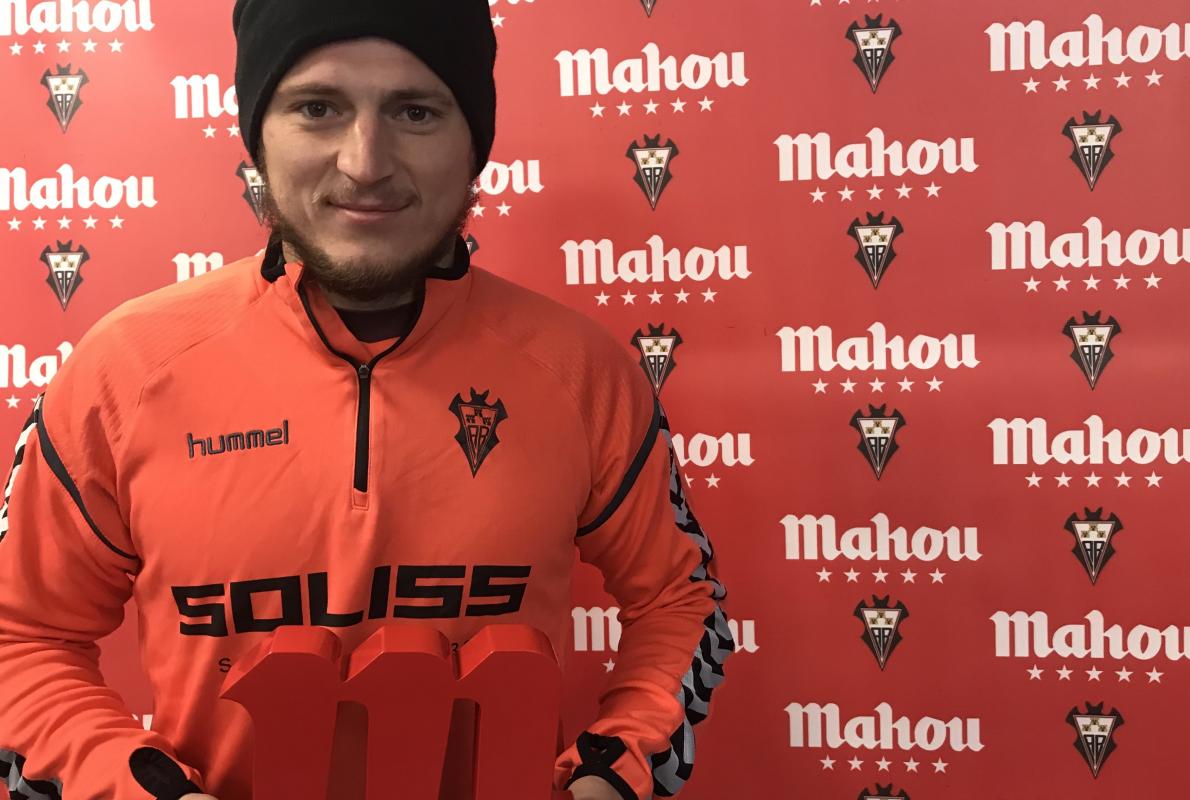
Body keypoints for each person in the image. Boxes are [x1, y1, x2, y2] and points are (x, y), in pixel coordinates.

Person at [0, 1, 734, 798]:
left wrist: (612, 774)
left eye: (415, 111)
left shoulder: (580, 370)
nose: (365, 163)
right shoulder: (126, 371)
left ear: (475, 143)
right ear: (257, 136)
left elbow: (680, 601)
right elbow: (21, 637)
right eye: (318, 108)